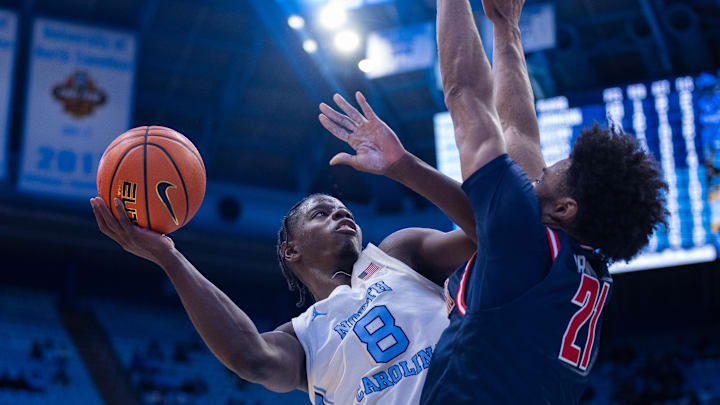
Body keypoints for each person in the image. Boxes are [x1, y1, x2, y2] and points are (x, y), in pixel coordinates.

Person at [89, 91, 477, 404]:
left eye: (344, 211)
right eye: (321, 214)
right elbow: (249, 358)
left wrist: (402, 166)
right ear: (291, 250)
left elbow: (493, 230)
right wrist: (167, 257)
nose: (342, 216)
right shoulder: (303, 337)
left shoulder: (398, 254)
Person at [418, 0, 669, 403]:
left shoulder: (525, 236)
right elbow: (520, 131)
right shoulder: (576, 260)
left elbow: (463, 92)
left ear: (566, 208)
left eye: (555, 167)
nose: (543, 167)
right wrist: (505, 29)